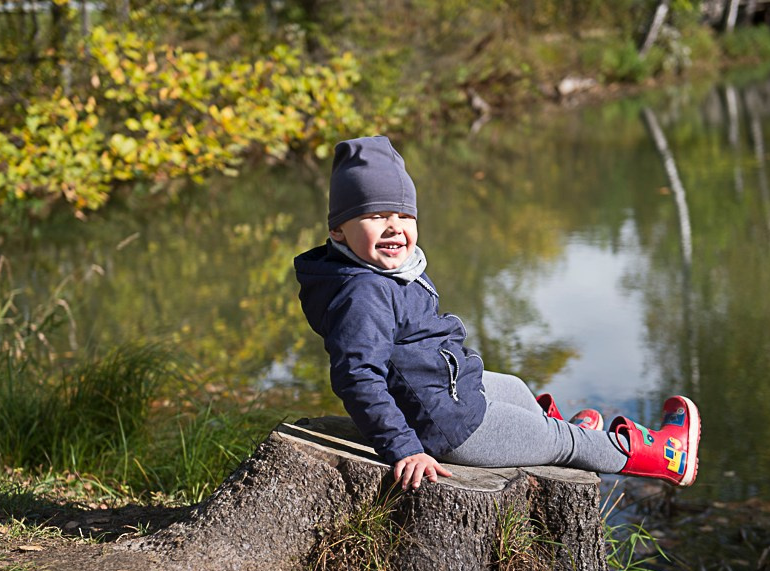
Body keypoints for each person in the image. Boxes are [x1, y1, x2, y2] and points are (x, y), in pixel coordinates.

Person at [293, 135, 700, 492]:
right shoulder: (364, 293)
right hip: (450, 427)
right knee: (564, 442)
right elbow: (357, 376)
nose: (394, 227)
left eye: (404, 215)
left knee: (516, 388)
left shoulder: (383, 268)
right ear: (338, 230)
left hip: (444, 391)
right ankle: (665, 457)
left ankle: (544, 436)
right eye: (376, 216)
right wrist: (404, 447)